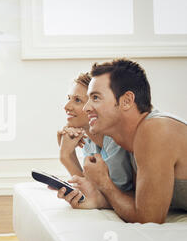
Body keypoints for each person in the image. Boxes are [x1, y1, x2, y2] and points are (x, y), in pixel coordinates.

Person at [63, 58, 187, 224]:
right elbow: (139, 201)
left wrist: (104, 182)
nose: (86, 108)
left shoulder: (154, 129)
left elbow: (149, 219)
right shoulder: (132, 141)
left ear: (127, 101)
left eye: (96, 98)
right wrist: (99, 199)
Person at [53, 73, 134, 209]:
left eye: (77, 100)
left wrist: (65, 157)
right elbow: (91, 189)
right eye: (69, 98)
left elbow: (113, 197)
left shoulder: (115, 141)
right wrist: (68, 153)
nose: (66, 106)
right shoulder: (89, 139)